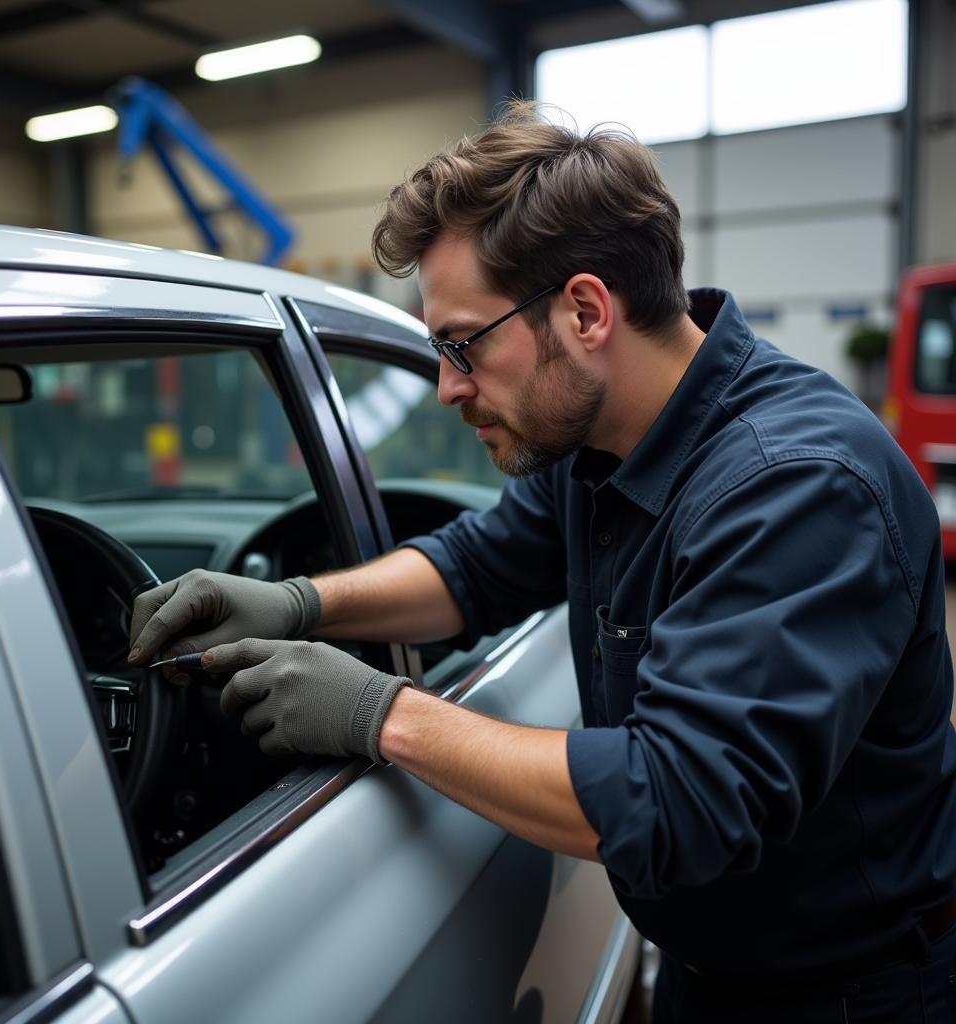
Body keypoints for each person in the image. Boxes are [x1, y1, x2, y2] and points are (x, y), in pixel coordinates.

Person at [128, 102, 956, 1022]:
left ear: (587, 310)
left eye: (462, 344)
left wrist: (378, 713)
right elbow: (475, 566)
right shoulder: (603, 440)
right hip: (705, 970)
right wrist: (293, 601)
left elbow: (681, 801)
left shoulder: (797, 488)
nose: (446, 387)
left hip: (846, 996)